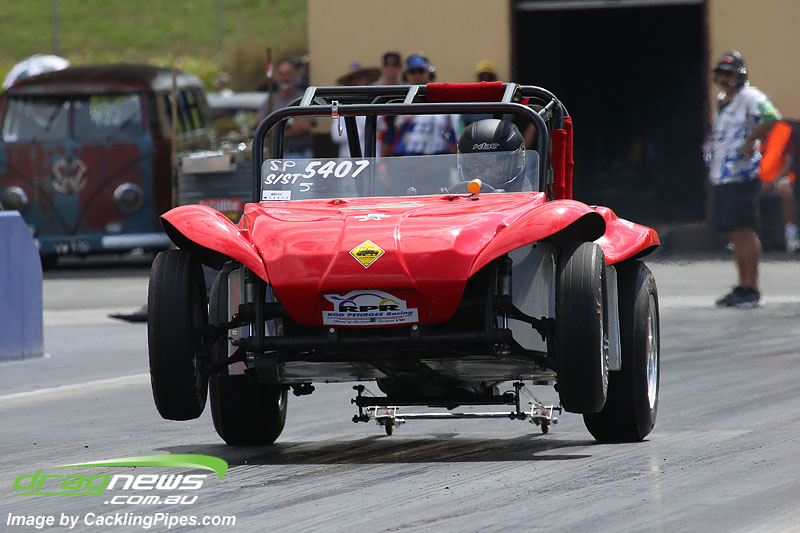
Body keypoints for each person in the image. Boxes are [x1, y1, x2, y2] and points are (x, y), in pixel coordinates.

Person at [704, 50, 781, 308]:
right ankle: (742, 284)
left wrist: (751, 140)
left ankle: (751, 287)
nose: (725, 79)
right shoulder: (723, 101)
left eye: (730, 74)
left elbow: (772, 116)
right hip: (723, 175)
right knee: (734, 233)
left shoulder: (750, 97)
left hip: (741, 174)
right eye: (721, 74)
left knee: (744, 230)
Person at [379, 54, 458, 157]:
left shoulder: (442, 104)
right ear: (406, 75)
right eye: (412, 72)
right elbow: (388, 137)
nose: (417, 76)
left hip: (437, 158)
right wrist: (383, 165)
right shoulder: (397, 105)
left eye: (421, 71)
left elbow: (452, 136)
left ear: (428, 74)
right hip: (405, 159)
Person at [260, 60, 315, 159]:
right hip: (276, 157)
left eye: (288, 74)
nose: (285, 78)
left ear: (295, 77)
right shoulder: (270, 100)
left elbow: (305, 126)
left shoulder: (304, 98)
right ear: (277, 78)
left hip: (301, 156)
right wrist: (291, 123)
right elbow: (262, 125)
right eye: (281, 74)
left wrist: (276, 129)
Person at [759, 120, 799, 251]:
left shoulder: (783, 133)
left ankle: (791, 234)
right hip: (754, 178)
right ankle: (740, 235)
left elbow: (788, 163)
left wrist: (772, 181)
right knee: (740, 189)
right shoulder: (747, 132)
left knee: (786, 190)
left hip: (777, 178)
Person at [457, 119, 527, 192]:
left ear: (517, 162)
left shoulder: (530, 195)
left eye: (496, 166)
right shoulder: (458, 194)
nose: (487, 174)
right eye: (478, 166)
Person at [331, 63, 380, 158]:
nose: (358, 81)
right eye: (354, 78)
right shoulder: (339, 105)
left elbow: (382, 132)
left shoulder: (378, 102)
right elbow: (336, 135)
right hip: (348, 159)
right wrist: (359, 130)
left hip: (374, 157)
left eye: (361, 77)